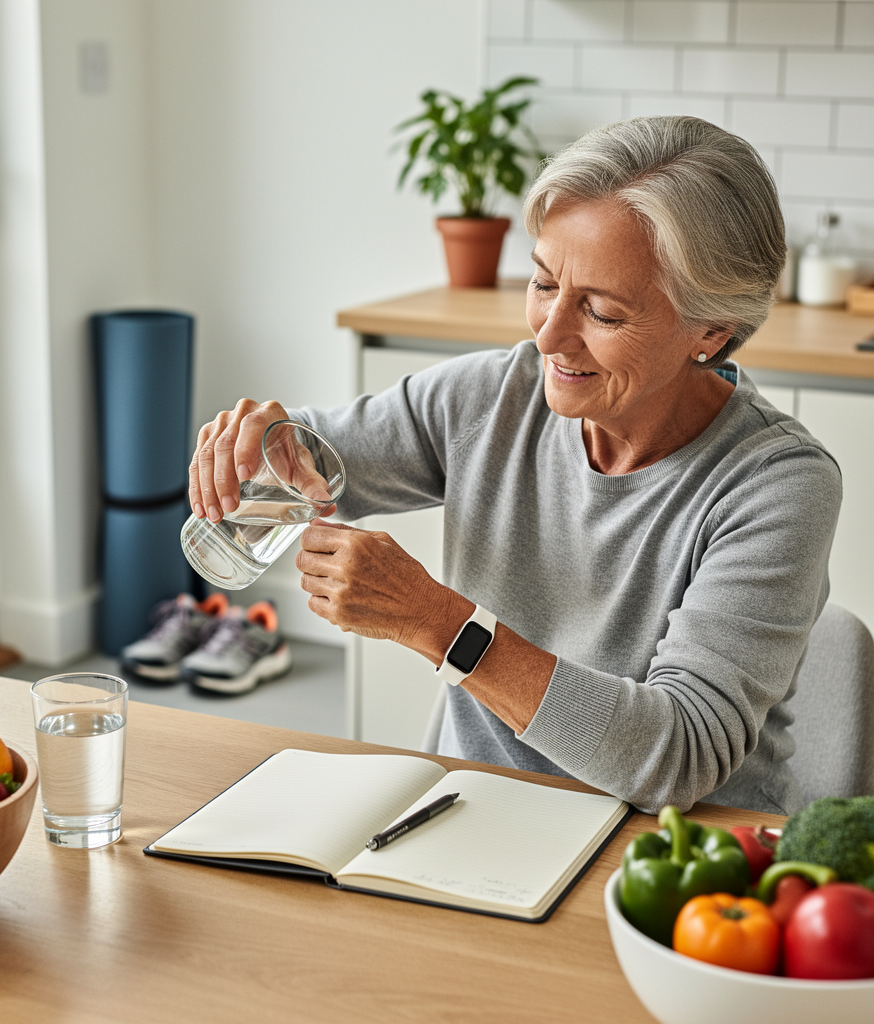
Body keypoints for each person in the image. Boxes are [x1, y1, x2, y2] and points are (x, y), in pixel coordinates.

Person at [187, 116, 841, 815]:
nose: (550, 335)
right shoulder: (492, 398)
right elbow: (316, 451)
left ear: (710, 332)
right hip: (476, 814)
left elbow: (677, 757)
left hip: (676, 858)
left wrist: (437, 624)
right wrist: (262, 441)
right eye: (543, 283)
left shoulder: (778, 485)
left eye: (603, 312)